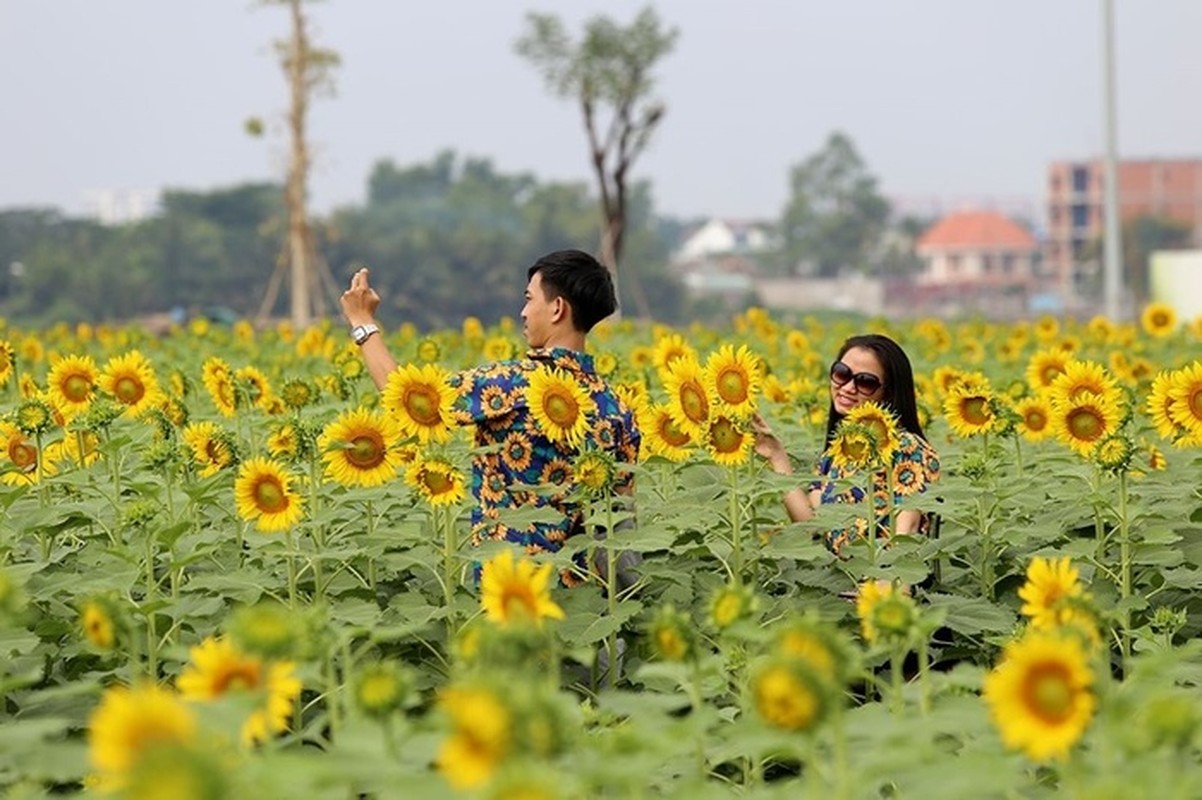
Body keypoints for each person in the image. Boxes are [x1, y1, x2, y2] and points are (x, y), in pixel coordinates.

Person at [340, 249, 641, 586]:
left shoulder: (511, 385)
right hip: (586, 607)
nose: (523, 312)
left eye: (529, 299)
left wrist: (363, 324)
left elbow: (408, 399)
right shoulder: (617, 409)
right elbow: (619, 527)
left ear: (558, 308)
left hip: (514, 598)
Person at [753, 333, 940, 554]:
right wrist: (777, 455)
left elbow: (907, 530)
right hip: (840, 581)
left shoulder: (906, 447)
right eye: (842, 374)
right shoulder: (837, 452)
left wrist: (891, 585)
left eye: (865, 382)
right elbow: (810, 526)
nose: (848, 387)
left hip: (884, 582)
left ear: (888, 393)